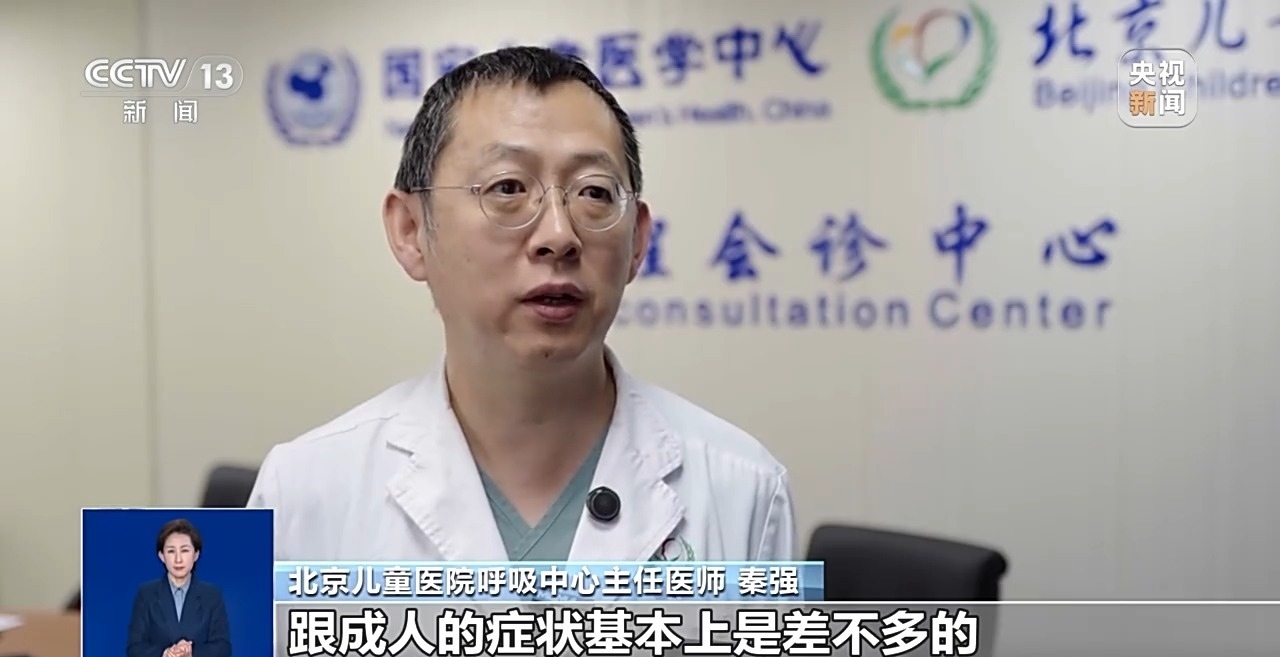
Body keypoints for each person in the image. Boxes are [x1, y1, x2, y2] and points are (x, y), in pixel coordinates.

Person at [248, 46, 796, 563]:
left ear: (638, 241)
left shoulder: (744, 489)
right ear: (411, 231)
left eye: (595, 192)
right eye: (508, 187)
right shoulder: (301, 493)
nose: (559, 235)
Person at [126, 519, 231, 657]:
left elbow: (223, 648)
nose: (178, 559)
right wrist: (164, 653)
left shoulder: (212, 595)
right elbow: (134, 648)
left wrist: (191, 652)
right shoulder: (146, 594)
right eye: (171, 551)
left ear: (196, 554)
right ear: (161, 556)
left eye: (185, 550)